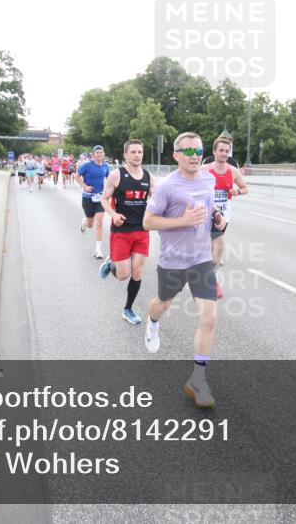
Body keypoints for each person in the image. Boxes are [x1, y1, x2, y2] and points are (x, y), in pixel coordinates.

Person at [142, 132, 226, 409]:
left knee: (209, 318)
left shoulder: (209, 179)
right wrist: (182, 220)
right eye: (187, 151)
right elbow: (147, 222)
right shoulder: (167, 186)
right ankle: (153, 322)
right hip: (172, 261)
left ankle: (198, 379)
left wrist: (217, 221)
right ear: (175, 155)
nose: (194, 155)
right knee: (162, 304)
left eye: (198, 150)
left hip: (201, 260)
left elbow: (209, 210)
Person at [99, 140, 155, 325]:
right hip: (121, 231)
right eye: (133, 152)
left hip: (141, 230)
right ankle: (111, 265)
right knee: (123, 275)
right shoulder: (116, 175)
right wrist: (113, 214)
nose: (137, 155)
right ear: (125, 155)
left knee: (137, 271)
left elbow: (158, 200)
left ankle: (128, 309)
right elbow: (104, 199)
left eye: (140, 151)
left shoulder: (148, 177)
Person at [202, 137, 249, 299]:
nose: (224, 153)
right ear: (214, 151)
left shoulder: (233, 171)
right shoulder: (205, 169)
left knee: (212, 246)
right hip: (206, 213)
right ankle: (213, 280)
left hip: (224, 213)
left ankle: (207, 274)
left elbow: (245, 188)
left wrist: (238, 191)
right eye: (221, 150)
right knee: (217, 244)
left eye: (227, 151)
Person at [75, 146, 110, 259]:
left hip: (100, 198)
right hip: (88, 198)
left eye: (101, 152)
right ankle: (84, 222)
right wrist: (84, 186)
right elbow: (76, 176)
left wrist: (109, 190)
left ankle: (98, 250)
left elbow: (109, 179)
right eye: (97, 153)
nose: (99, 154)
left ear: (103, 154)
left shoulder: (105, 166)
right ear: (93, 155)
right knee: (90, 224)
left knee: (99, 222)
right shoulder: (87, 166)